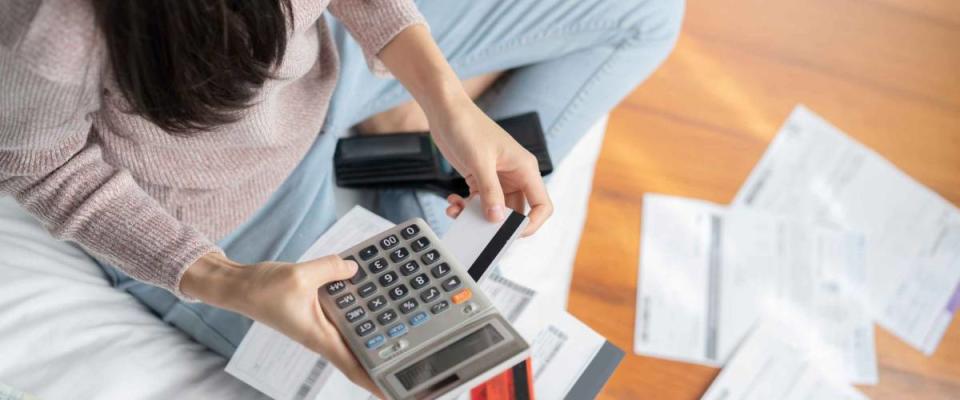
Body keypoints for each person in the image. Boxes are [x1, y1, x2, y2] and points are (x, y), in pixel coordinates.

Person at [0, 0, 683, 395]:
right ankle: (410, 186)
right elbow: (41, 165)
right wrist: (224, 281)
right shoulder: (50, 29)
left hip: (330, 75)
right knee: (406, 372)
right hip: (219, 220)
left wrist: (446, 102)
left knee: (647, 9)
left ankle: (414, 152)